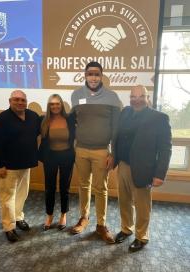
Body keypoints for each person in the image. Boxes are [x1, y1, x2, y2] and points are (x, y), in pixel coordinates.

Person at [114, 85, 172, 252]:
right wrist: (114, 156)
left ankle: (142, 236)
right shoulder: (125, 112)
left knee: (142, 205)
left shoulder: (159, 118)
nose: (136, 99)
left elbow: (165, 148)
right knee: (124, 201)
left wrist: (160, 174)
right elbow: (118, 136)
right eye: (133, 96)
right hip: (123, 165)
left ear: (148, 98)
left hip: (144, 169)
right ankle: (126, 228)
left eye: (141, 96)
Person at [71, 61, 122, 244]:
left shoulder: (112, 97)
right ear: (85, 75)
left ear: (101, 76)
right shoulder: (76, 95)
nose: (93, 77)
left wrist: (113, 153)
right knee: (84, 185)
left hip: (102, 151)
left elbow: (116, 129)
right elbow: (74, 121)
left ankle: (101, 225)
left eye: (97, 74)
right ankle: (83, 218)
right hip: (81, 150)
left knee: (101, 189)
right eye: (90, 74)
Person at [0, 90, 40, 242]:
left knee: (22, 194)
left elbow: (39, 133)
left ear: (26, 101)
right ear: (10, 101)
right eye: (16, 100)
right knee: (7, 197)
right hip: (8, 166)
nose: (20, 102)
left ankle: (18, 217)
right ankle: (9, 227)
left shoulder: (33, 116)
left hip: (26, 164)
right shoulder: (1, 119)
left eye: (23, 100)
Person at [38, 94, 75, 231]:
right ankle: (49, 215)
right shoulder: (43, 120)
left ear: (61, 105)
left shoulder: (69, 119)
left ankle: (63, 215)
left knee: (65, 188)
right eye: (52, 104)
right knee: (50, 188)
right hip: (50, 156)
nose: (55, 106)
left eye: (57, 103)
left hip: (67, 156)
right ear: (49, 106)